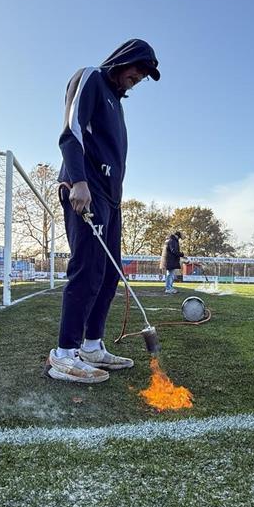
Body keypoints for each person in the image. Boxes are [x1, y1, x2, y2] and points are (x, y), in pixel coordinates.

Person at [46, 39, 161, 384]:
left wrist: (116, 198)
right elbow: (71, 131)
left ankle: (92, 346)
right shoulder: (91, 78)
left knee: (110, 275)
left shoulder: (117, 105)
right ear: (125, 60)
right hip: (87, 189)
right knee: (87, 269)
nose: (139, 77)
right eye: (138, 69)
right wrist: (78, 181)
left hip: (111, 199)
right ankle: (64, 354)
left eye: (145, 75)